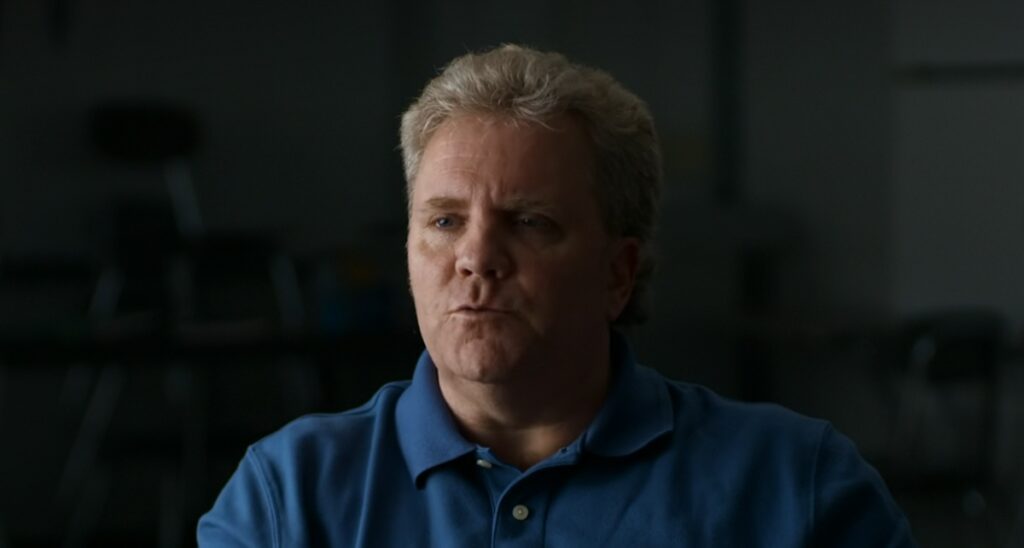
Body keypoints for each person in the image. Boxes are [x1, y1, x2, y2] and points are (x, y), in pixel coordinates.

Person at [198, 44, 916, 547]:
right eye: (444, 221)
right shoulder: (287, 499)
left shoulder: (797, 488)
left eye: (529, 222)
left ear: (617, 273)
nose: (476, 257)